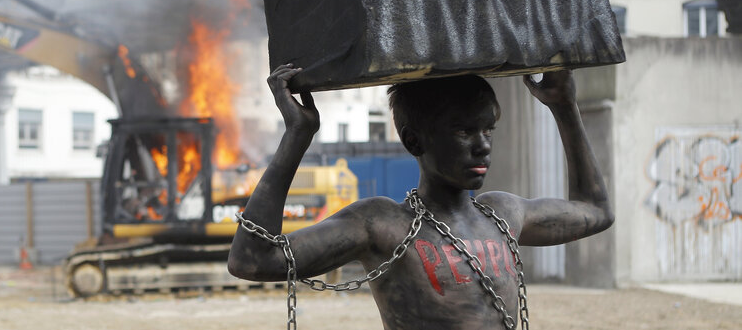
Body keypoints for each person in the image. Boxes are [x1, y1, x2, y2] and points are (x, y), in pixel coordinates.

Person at [228, 63, 614, 330]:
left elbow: (595, 210)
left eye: (488, 129)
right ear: (414, 140)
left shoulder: (503, 213)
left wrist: (564, 107)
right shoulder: (382, 225)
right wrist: (298, 134)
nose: (482, 146)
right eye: (463, 131)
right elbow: (252, 260)